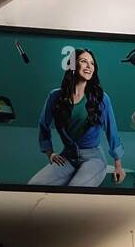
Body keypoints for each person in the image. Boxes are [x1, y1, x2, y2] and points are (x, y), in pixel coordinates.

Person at [28, 48, 125, 188]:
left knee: (74, 191)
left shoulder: (101, 98)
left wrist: (118, 165)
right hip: (67, 157)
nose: (89, 66)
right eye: (83, 61)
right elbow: (43, 125)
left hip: (94, 159)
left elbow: (112, 131)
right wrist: (50, 154)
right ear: (73, 66)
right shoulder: (55, 97)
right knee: (34, 185)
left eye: (92, 63)